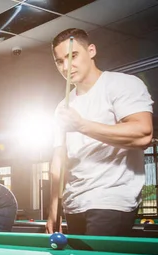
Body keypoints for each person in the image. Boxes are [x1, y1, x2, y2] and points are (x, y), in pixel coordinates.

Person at [46, 28, 154, 236]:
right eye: (59, 61)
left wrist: (81, 125)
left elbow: (143, 134)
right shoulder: (62, 107)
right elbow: (59, 159)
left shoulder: (122, 84)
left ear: (92, 50)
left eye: (73, 56)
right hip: (73, 204)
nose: (66, 66)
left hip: (111, 200)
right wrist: (54, 209)